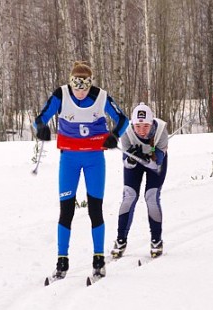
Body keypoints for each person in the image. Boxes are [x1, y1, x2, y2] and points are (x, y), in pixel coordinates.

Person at [35, 61, 129, 280]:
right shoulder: (61, 95)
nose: (80, 91)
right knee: (66, 211)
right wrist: (40, 128)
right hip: (69, 160)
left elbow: (123, 119)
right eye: (76, 85)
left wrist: (114, 135)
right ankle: (62, 261)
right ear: (70, 82)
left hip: (94, 159)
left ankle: (98, 260)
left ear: (90, 83)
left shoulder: (100, 96)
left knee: (95, 210)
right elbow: (40, 119)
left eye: (84, 86)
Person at [110, 102, 169, 259]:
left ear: (151, 123)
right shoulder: (127, 131)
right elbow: (126, 160)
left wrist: (150, 158)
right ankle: (121, 239)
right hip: (135, 164)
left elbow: (159, 161)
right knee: (129, 196)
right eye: (138, 126)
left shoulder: (161, 130)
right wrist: (131, 160)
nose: (142, 131)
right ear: (133, 124)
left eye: (145, 126)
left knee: (151, 196)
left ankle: (156, 240)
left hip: (155, 163)